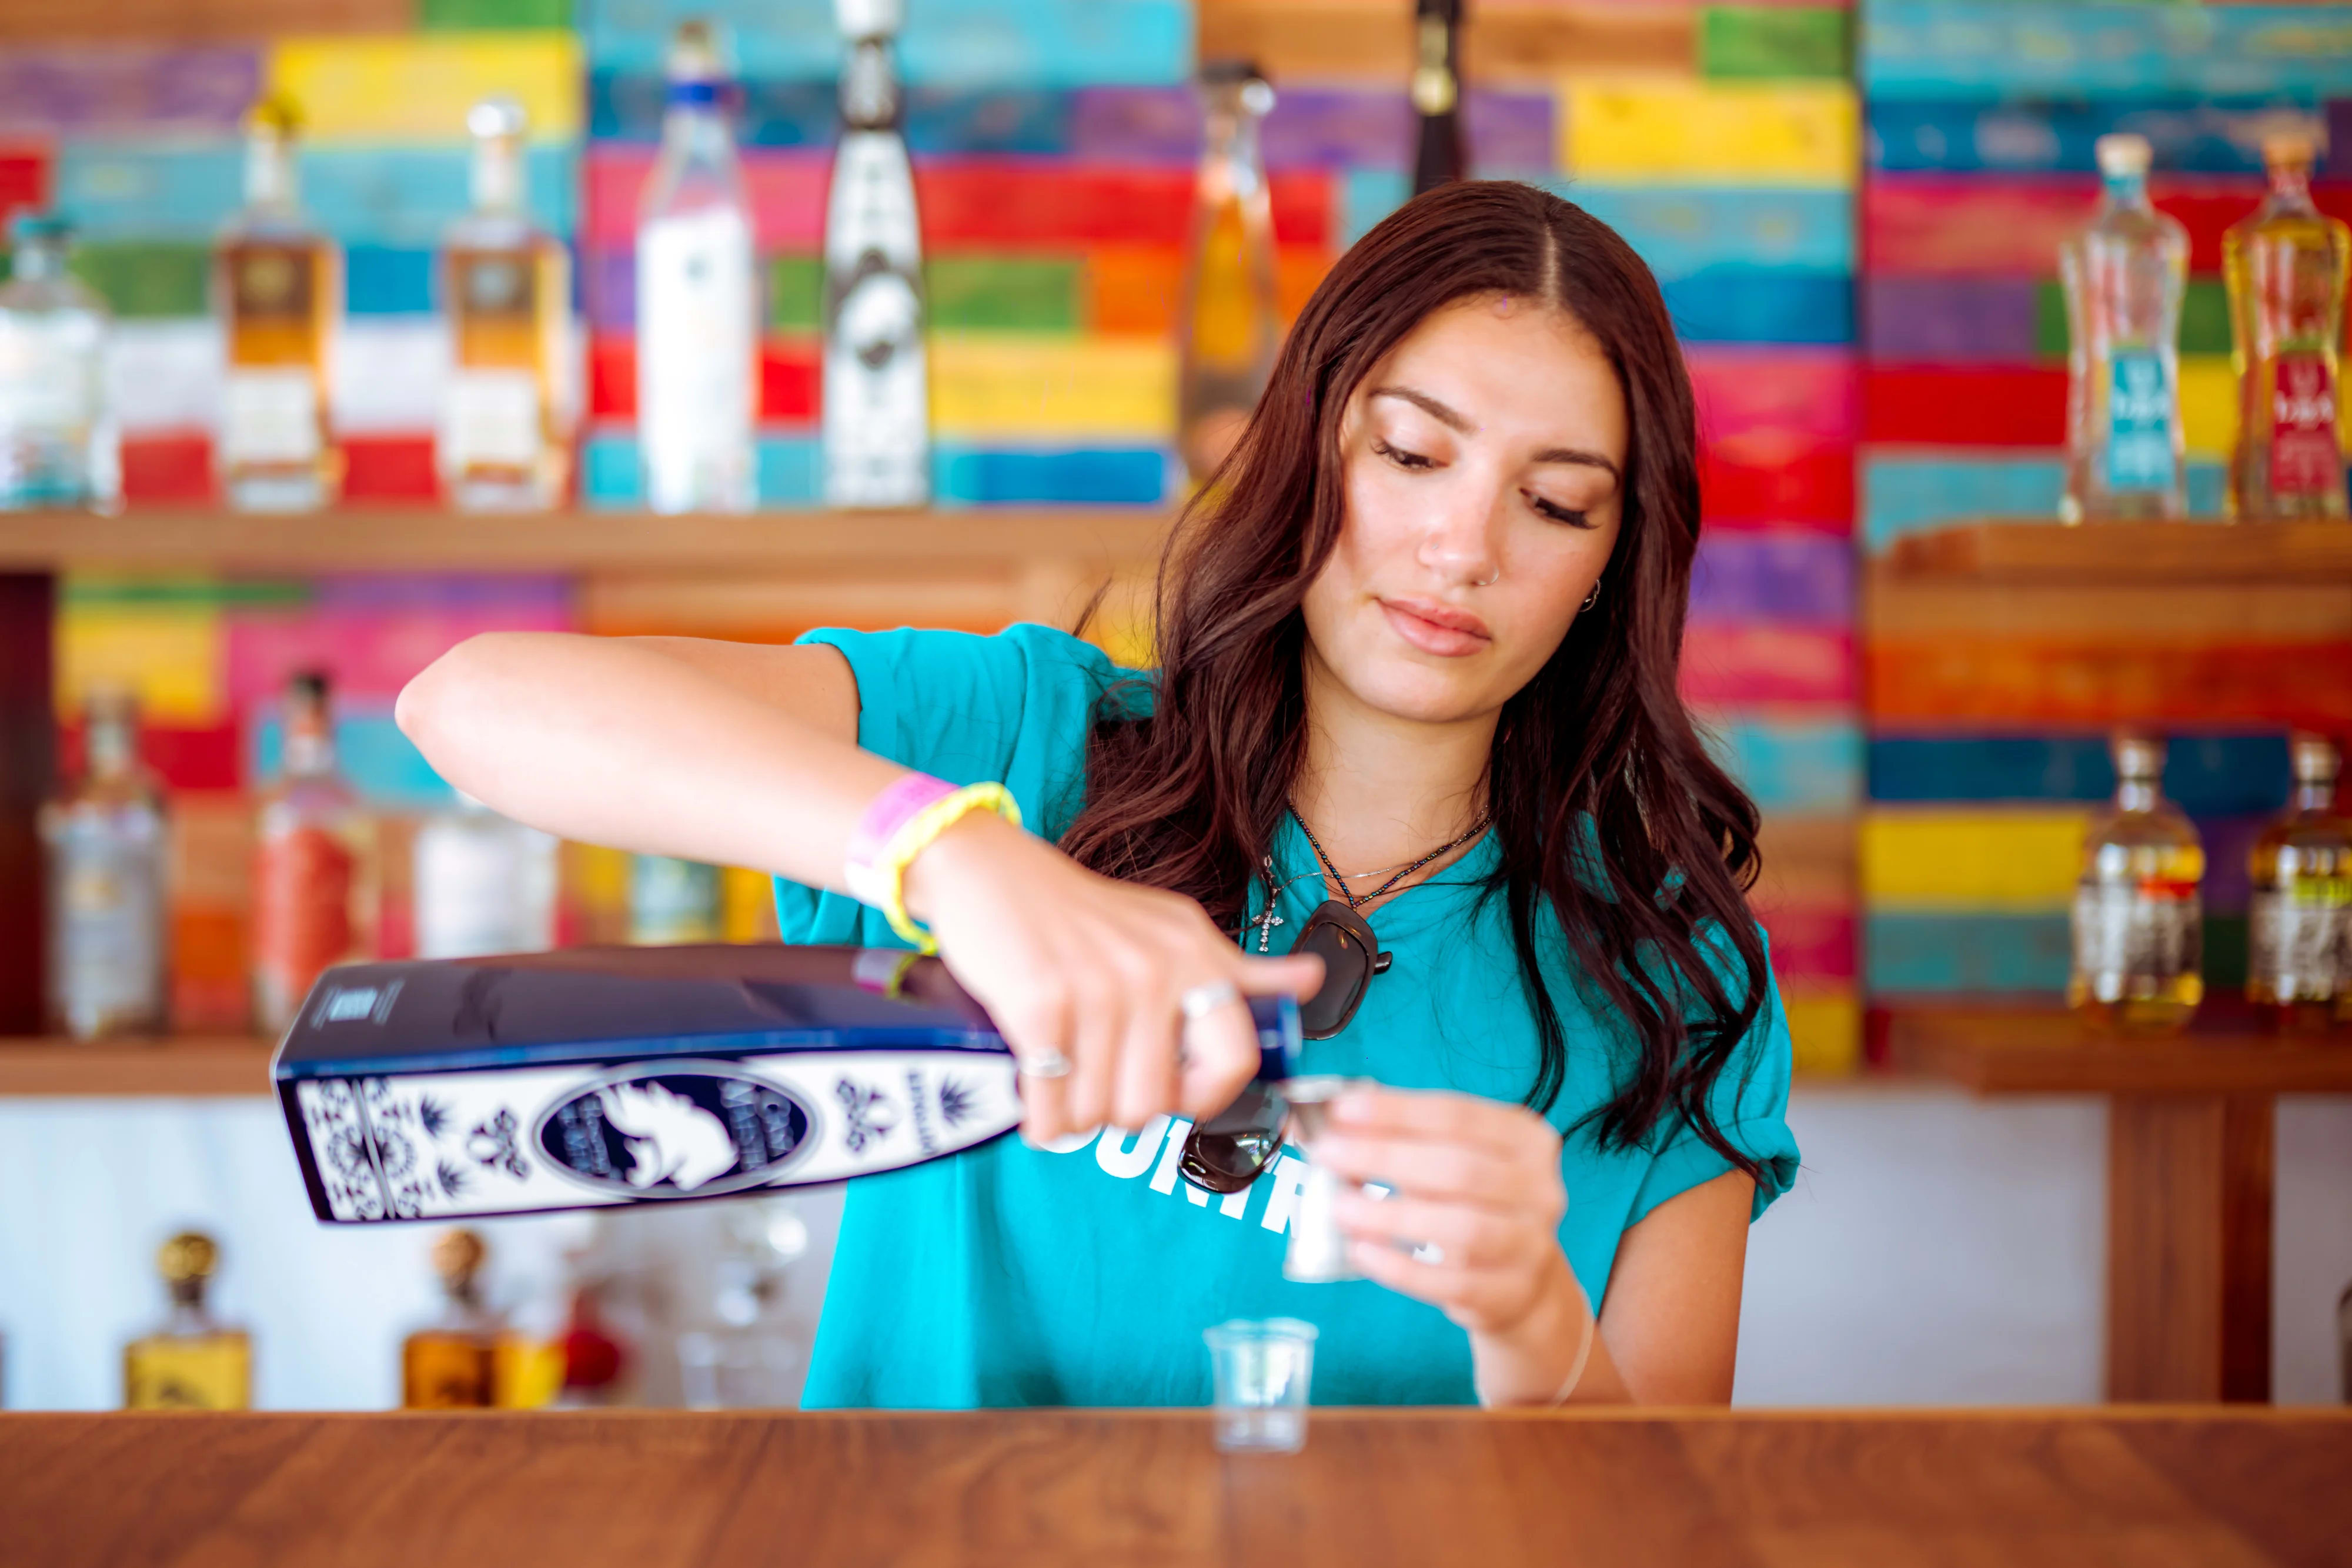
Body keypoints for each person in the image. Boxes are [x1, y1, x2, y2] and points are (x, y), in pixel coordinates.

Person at [397, 179, 1799, 1410]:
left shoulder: (1680, 977)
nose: (1461, 545)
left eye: (1553, 503)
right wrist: (950, 857)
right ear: (1306, 447)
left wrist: (1536, 1327)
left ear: (1611, 563)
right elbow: (468, 702)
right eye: (1411, 454)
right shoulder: (1023, 741)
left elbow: (1664, 1513)